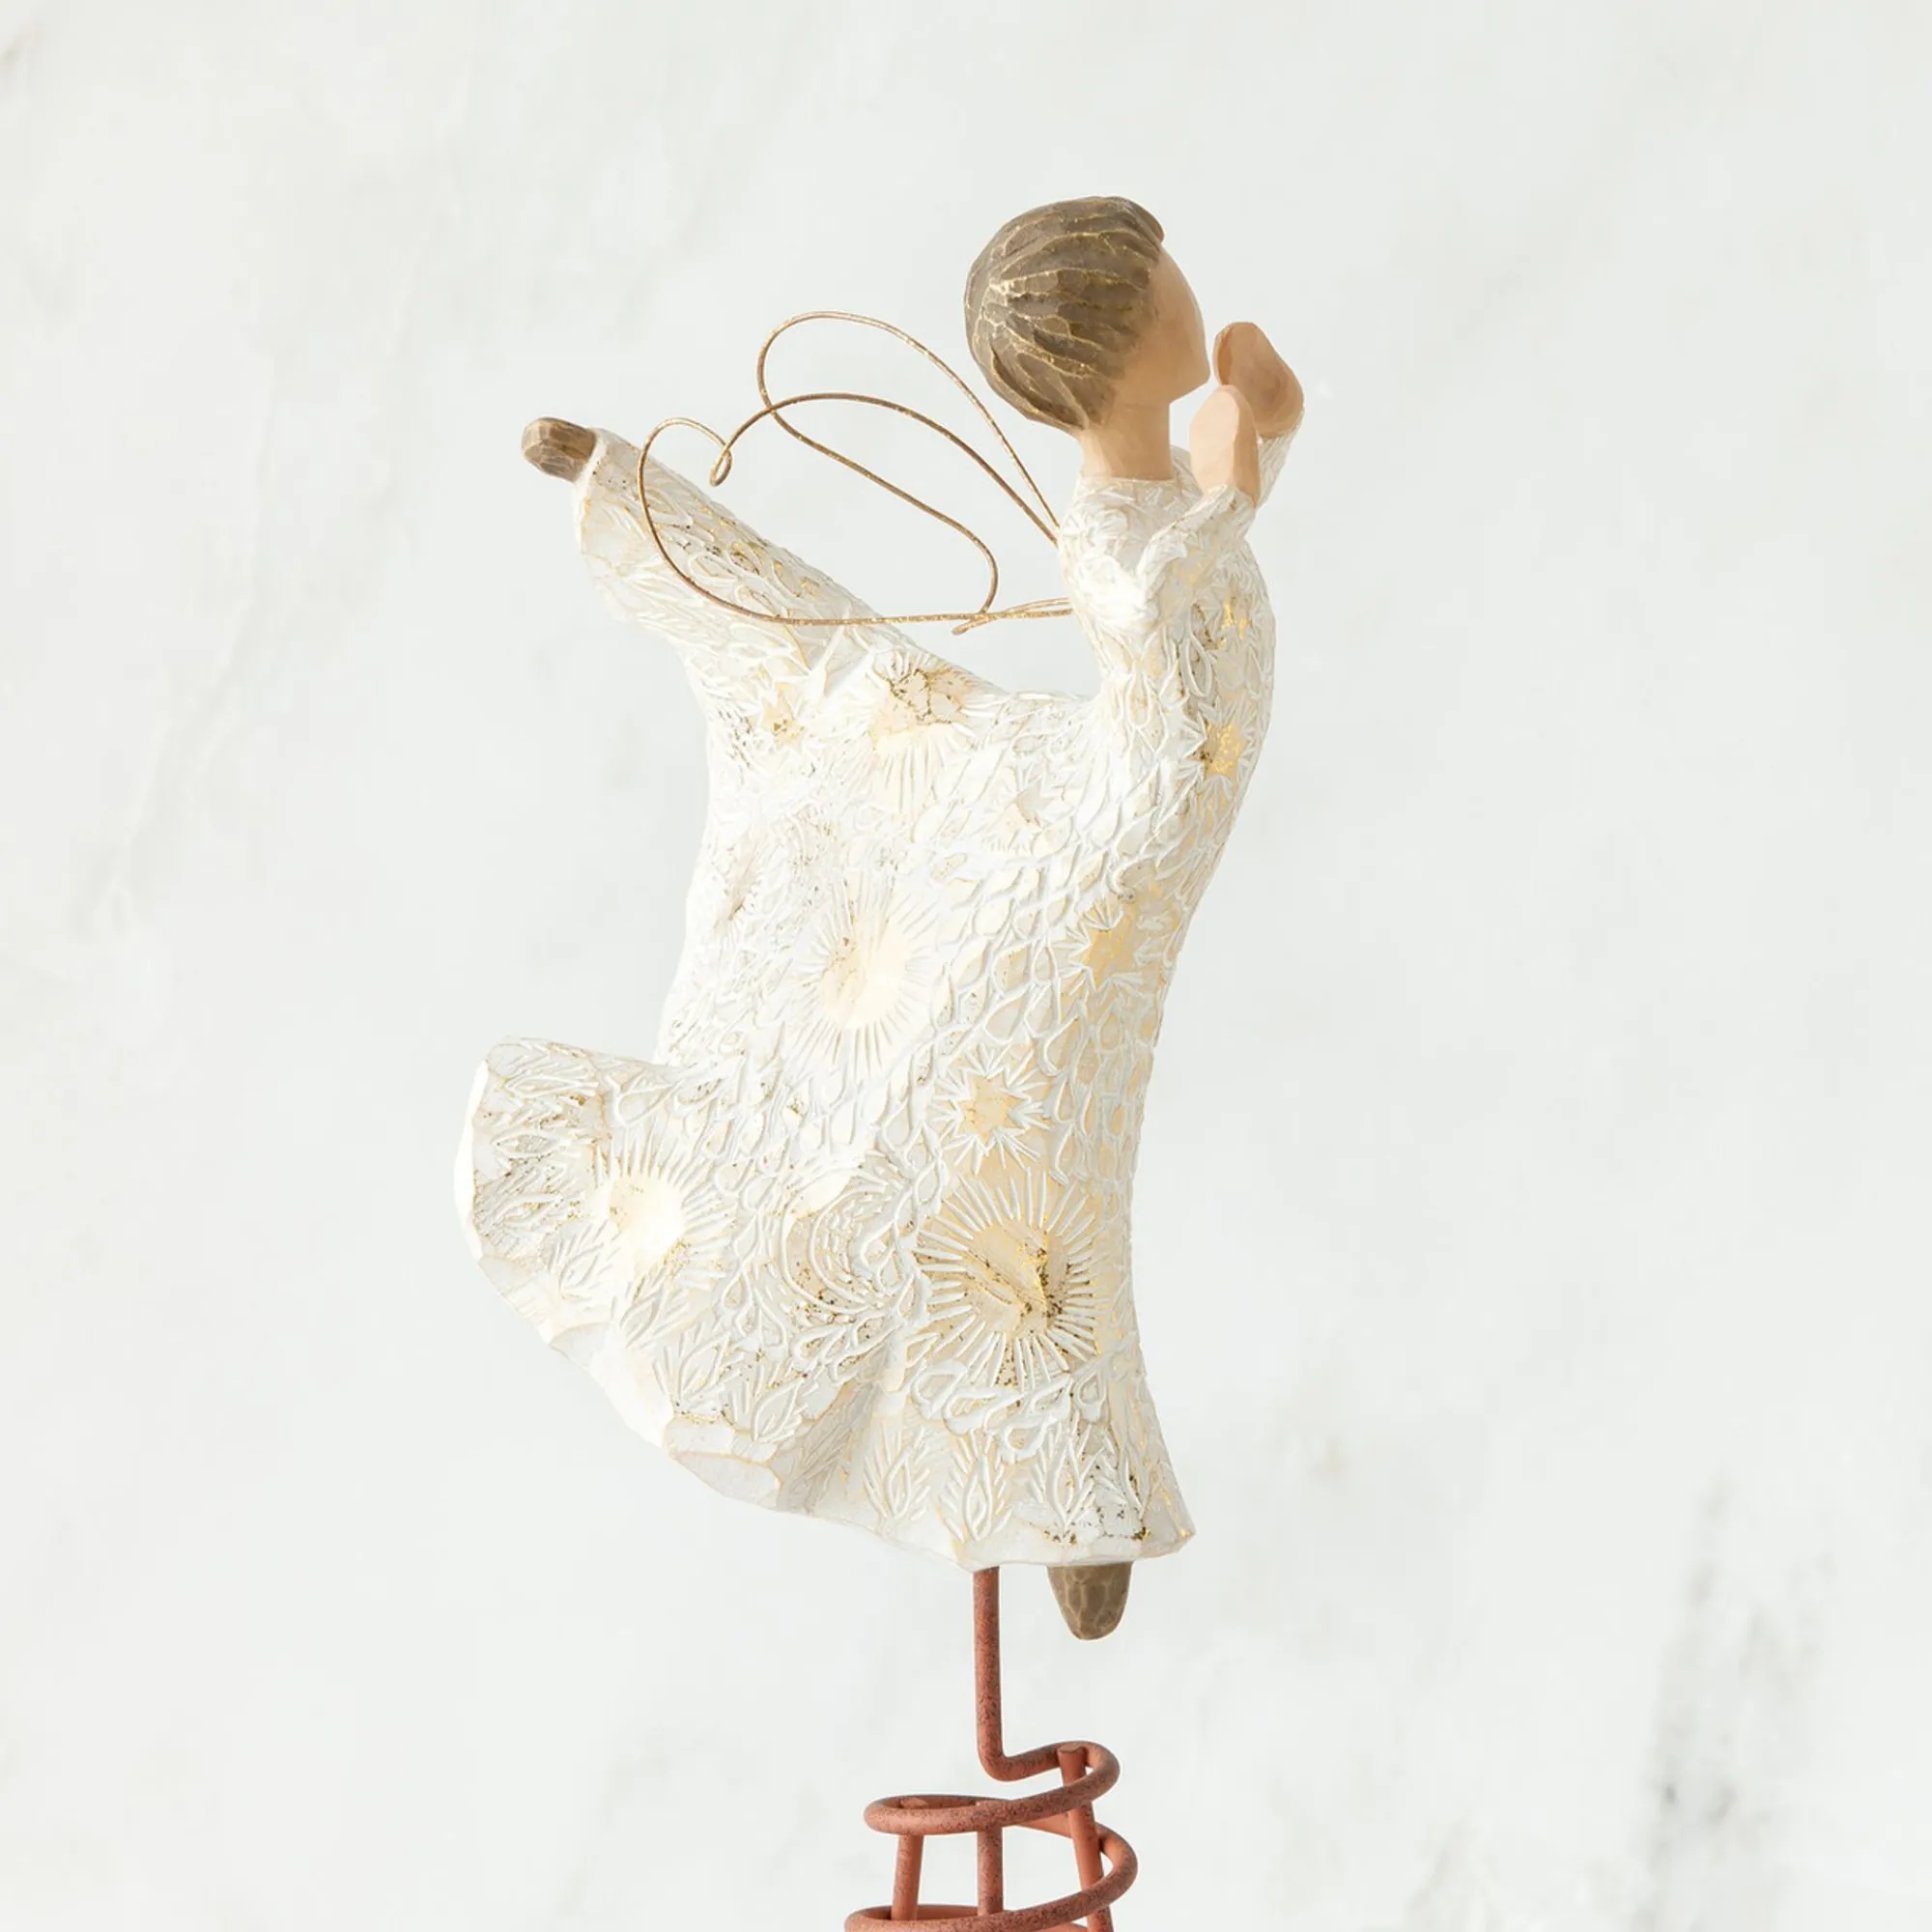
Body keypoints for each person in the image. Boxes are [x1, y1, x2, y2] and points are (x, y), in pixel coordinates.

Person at [461, 196, 1303, 1637]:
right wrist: (1238, 475)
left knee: (1052, 1116)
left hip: (1153, 798)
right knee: (1031, 1114)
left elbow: (1217, 517)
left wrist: (1252, 441)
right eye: (1166, 287)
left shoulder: (1154, 483)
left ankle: (1057, 1478)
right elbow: (1145, 596)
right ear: (1112, 350)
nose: (1189, 296)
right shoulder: (1111, 525)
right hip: (1119, 826)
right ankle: (1064, 1488)